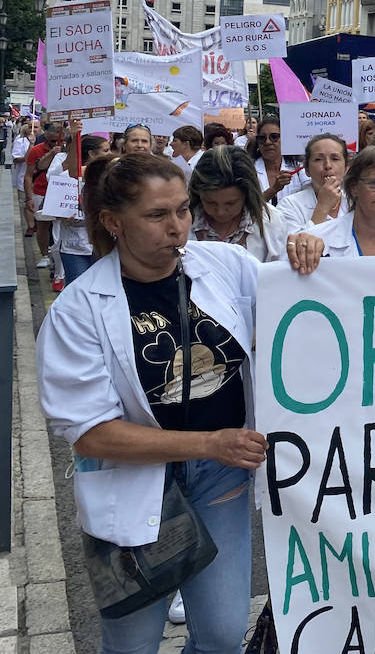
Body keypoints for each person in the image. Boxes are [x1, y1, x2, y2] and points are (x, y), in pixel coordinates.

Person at [34, 152, 322, 654]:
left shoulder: (228, 266)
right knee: (133, 642)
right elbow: (92, 433)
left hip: (220, 479)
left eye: (183, 211)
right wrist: (210, 443)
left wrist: (311, 250)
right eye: (157, 215)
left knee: (222, 631)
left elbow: (310, 309)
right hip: (135, 481)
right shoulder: (78, 310)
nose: (178, 227)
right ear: (112, 222)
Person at [187, 146, 288, 263]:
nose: (220, 212)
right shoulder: (183, 222)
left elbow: (279, 272)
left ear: (247, 195)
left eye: (231, 203)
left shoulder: (272, 222)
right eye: (210, 202)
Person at [52, 133, 111, 285]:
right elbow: (53, 209)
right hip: (75, 248)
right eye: (105, 151)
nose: (110, 154)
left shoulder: (111, 177)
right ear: (91, 153)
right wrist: (62, 215)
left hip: (103, 245)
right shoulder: (66, 178)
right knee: (77, 289)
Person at [276, 133, 349, 233]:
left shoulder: (355, 202)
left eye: (335, 159)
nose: (327, 165)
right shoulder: (289, 205)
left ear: (346, 168)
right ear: (307, 170)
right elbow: (294, 246)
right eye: (318, 159)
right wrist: (322, 207)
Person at [26, 120, 64, 270]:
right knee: (42, 226)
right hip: (41, 192)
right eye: (52, 141)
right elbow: (29, 174)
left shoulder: (69, 151)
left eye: (59, 141)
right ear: (47, 138)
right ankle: (45, 255)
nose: (56, 143)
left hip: (61, 194)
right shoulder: (36, 150)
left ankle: (58, 259)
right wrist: (29, 197)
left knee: (59, 227)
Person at [247, 117, 306, 205]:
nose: (267, 142)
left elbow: (312, 193)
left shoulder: (298, 168)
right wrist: (274, 190)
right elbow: (248, 207)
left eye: (274, 137)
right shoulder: (249, 169)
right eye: (262, 138)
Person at [12, 120, 34, 236]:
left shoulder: (44, 141)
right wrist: (29, 150)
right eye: (30, 127)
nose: (33, 130)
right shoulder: (20, 141)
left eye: (35, 127)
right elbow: (16, 159)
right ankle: (30, 226)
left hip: (40, 179)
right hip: (24, 176)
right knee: (27, 202)